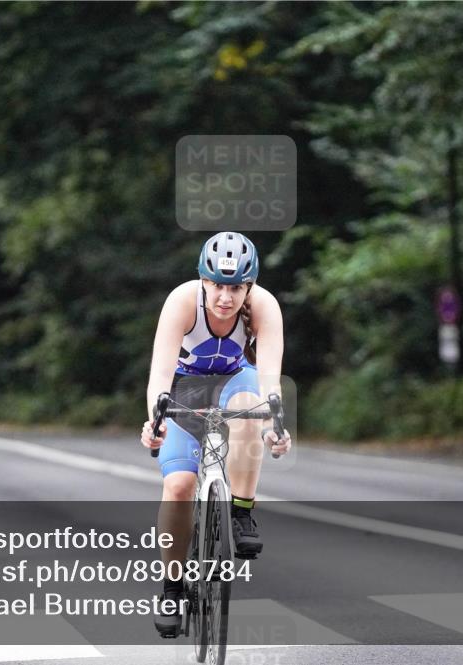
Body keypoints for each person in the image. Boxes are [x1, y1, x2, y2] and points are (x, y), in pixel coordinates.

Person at [140, 232, 292, 637]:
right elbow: (160, 374)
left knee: (250, 408)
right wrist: (155, 422)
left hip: (235, 382)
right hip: (184, 389)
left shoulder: (264, 306)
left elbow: (269, 380)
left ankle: (241, 512)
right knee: (178, 485)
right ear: (203, 281)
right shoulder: (182, 301)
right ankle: (172, 588)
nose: (226, 297)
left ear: (249, 286)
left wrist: (275, 426)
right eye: (218, 285)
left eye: (236, 287)